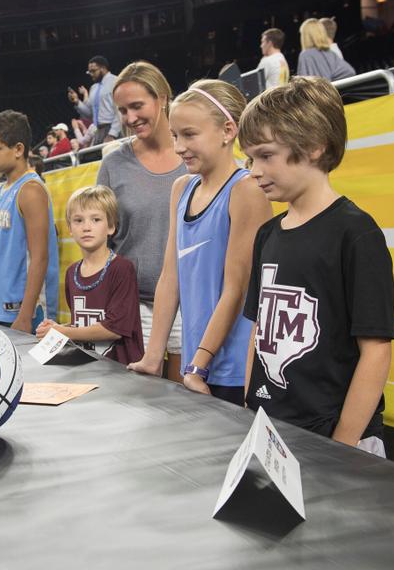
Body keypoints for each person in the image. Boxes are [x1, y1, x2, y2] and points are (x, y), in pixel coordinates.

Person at [240, 77, 394, 455]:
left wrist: (343, 444)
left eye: (265, 155)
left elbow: (376, 350)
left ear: (312, 147)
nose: (254, 171)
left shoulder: (356, 233)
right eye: (249, 159)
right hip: (272, 424)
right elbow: (260, 330)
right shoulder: (267, 234)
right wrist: (249, 405)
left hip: (338, 434)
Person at [128, 79, 271, 406]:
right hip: (197, 365)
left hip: (233, 368)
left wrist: (199, 365)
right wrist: (154, 355)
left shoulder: (246, 190)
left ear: (227, 130)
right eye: (175, 136)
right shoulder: (181, 188)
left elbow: (237, 290)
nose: (179, 147)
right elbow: (170, 277)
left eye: (189, 135)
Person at [98, 60, 187, 380]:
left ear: (162, 98)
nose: (130, 118)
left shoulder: (195, 156)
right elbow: (101, 239)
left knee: (189, 408)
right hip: (134, 305)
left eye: (137, 106)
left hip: (190, 304)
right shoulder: (113, 164)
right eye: (122, 111)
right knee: (143, 408)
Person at [36, 185, 143, 365]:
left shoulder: (122, 269)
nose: (86, 227)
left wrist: (62, 332)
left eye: (95, 220)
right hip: (88, 367)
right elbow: (82, 326)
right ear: (70, 228)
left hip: (121, 370)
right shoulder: (72, 273)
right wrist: (55, 328)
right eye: (78, 220)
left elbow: (114, 329)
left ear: (111, 227)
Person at [0, 109, 59, 333]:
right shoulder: (1, 191)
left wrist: (26, 315)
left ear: (18, 149)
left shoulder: (31, 191)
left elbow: (40, 258)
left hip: (24, 312)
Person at [68, 55, 122, 145]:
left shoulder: (116, 82)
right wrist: (77, 101)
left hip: (113, 128)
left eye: (93, 71)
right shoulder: (93, 87)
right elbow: (89, 114)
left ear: (103, 68)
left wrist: (112, 134)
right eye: (89, 72)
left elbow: (121, 110)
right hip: (97, 130)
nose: (91, 74)